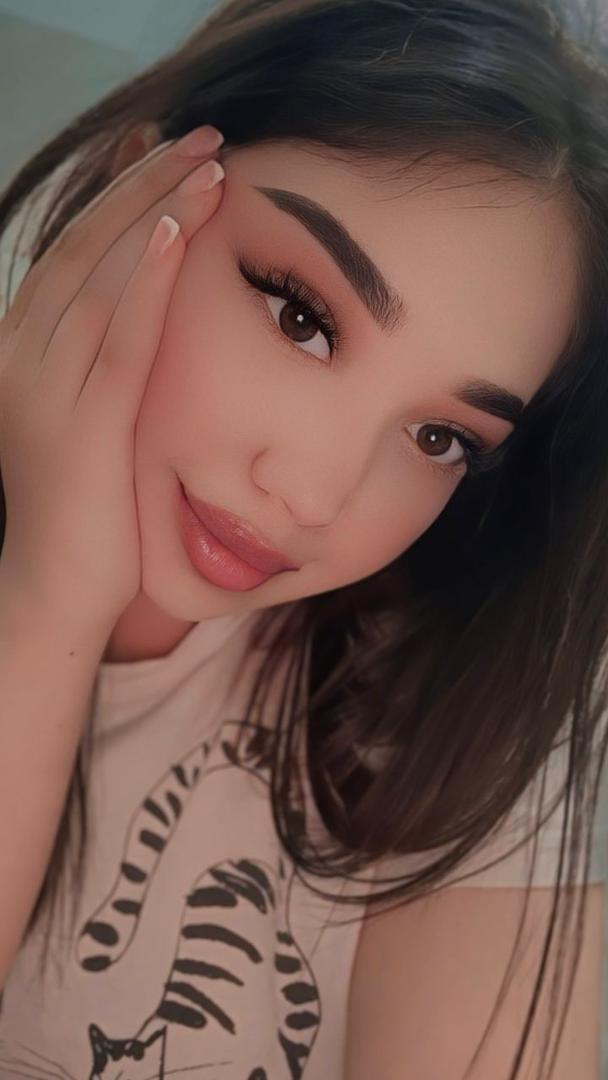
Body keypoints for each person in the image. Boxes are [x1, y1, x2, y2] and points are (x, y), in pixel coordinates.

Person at [0, 0, 607, 1076]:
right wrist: (49, 599)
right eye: (299, 318)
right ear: (130, 190)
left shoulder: (465, 721)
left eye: (439, 438)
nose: (317, 495)